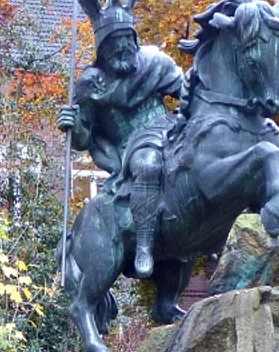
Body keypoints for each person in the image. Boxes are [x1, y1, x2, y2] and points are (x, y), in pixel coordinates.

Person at [57, 0, 183, 278]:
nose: (122, 47)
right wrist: (72, 124)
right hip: (132, 145)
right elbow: (82, 139)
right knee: (148, 164)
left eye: (127, 40)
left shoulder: (155, 62)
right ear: (102, 48)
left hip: (170, 131)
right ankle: (144, 246)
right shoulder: (91, 83)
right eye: (114, 42)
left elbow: (187, 94)